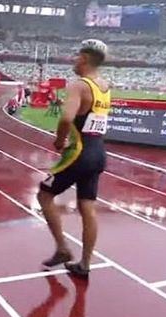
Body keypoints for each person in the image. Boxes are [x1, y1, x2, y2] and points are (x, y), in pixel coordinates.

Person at [37, 39, 111, 280]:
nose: (74, 59)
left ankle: (62, 249)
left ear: (85, 59)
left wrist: (59, 141)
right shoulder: (105, 86)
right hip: (98, 152)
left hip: (79, 152)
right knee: (87, 206)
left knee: (44, 194)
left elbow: (66, 118)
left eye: (77, 56)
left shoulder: (79, 85)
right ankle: (85, 264)